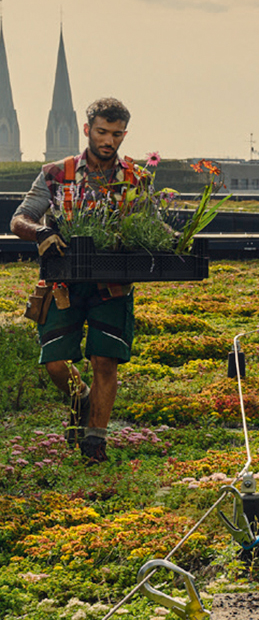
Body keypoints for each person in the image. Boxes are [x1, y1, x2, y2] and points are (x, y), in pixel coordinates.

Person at [9, 97, 144, 464]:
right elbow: (19, 219)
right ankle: (81, 398)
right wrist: (40, 233)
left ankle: (95, 442)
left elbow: (150, 225)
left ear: (124, 135)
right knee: (54, 361)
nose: (109, 140)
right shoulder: (56, 172)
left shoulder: (135, 177)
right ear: (87, 130)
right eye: (102, 132)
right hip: (63, 284)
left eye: (116, 134)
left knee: (106, 359)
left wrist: (177, 242)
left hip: (113, 282)